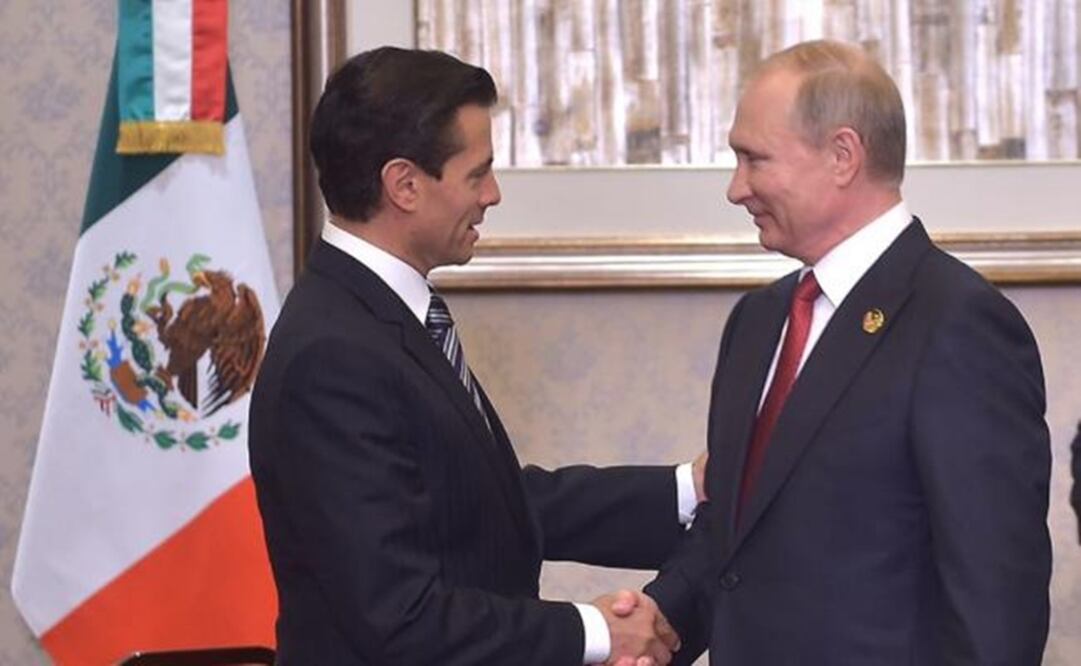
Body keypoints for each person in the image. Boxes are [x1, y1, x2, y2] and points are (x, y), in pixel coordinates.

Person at [249, 47, 700, 665]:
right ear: (404, 184)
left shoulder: (377, 317)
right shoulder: (333, 356)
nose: (493, 194)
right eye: (477, 173)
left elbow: (486, 504)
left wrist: (686, 490)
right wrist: (595, 632)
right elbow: (399, 615)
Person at [643, 40, 1052, 664]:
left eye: (754, 159)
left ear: (842, 155)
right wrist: (662, 620)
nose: (735, 188)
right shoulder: (757, 321)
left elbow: (994, 602)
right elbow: (739, 534)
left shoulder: (958, 322)